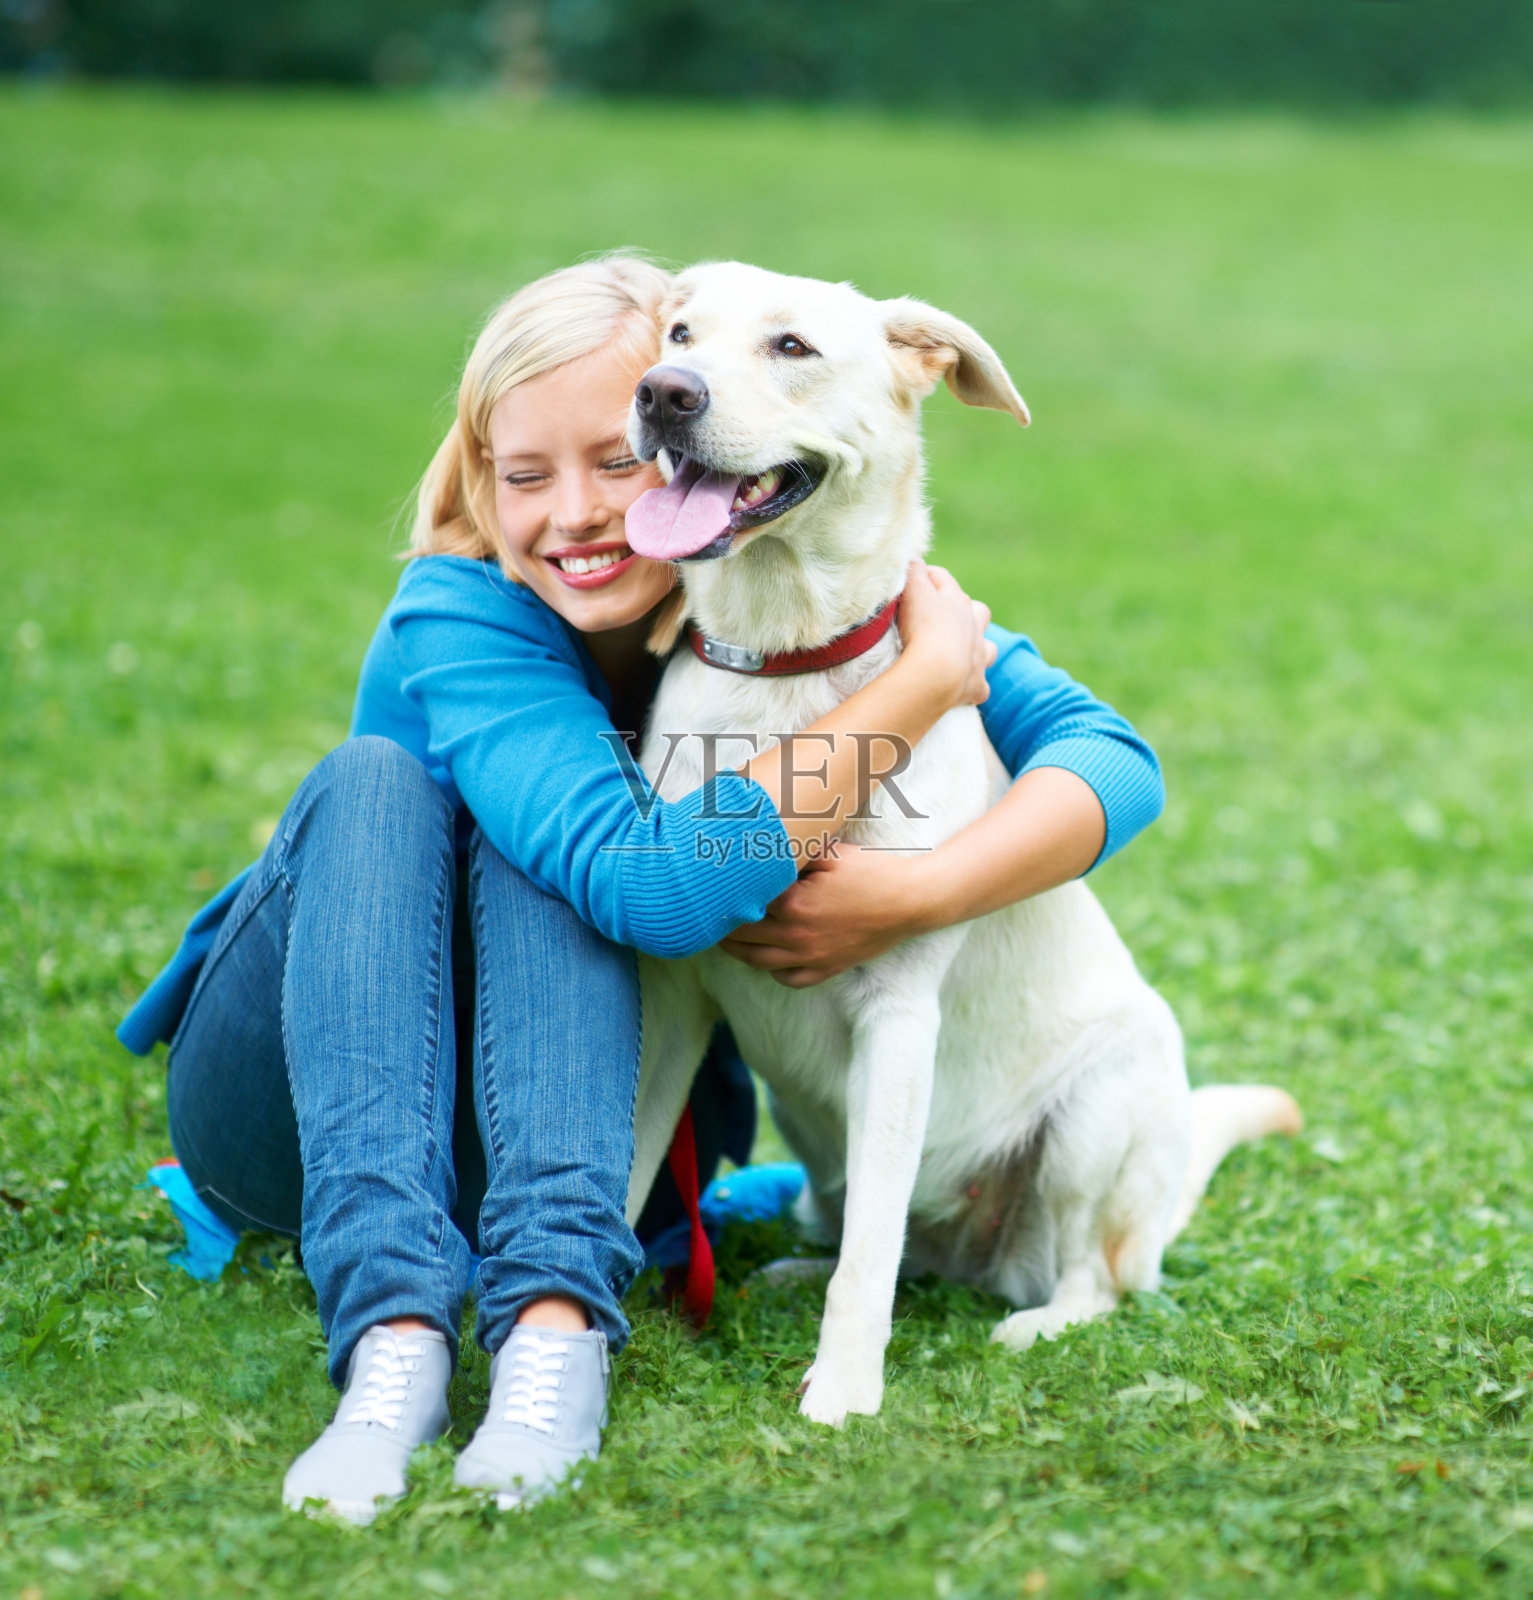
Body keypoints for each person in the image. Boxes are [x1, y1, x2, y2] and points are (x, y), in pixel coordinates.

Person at [117, 254, 1163, 1524]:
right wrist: (920, 688)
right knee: (417, 794)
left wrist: (921, 878)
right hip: (297, 1111)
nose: (582, 512)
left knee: (572, 860)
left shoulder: (776, 585)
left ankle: (552, 1321)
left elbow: (1115, 759)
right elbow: (653, 898)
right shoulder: (465, 609)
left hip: (538, 1129)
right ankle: (395, 1344)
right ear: (478, 478)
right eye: (524, 474)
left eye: (624, 455)